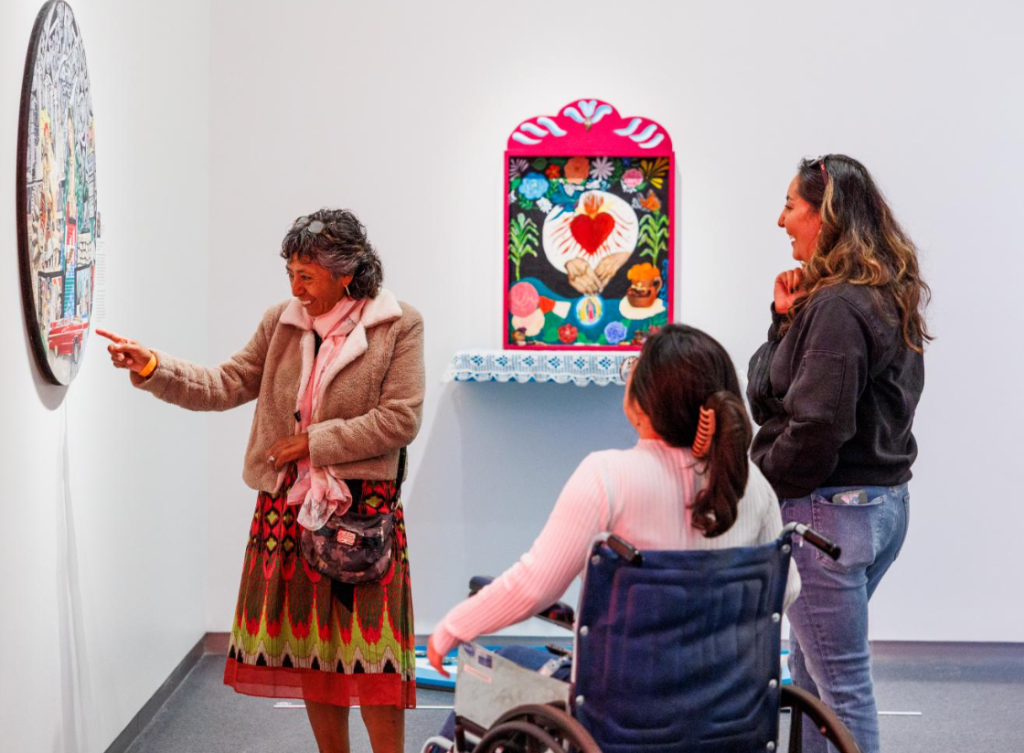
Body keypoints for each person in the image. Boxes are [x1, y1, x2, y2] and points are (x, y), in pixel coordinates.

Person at [98, 208, 425, 753]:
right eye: (291, 273)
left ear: (347, 273)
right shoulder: (282, 321)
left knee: (375, 657)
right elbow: (225, 383)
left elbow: (400, 419)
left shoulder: (398, 324)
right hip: (287, 510)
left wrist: (313, 442)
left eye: (307, 275)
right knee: (314, 652)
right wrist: (154, 366)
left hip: (361, 513)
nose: (296, 287)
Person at [428, 323, 801, 676]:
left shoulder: (607, 477)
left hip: (624, 702)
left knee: (500, 668)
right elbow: (789, 589)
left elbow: (534, 586)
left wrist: (454, 625)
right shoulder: (750, 485)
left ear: (643, 402)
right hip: (724, 701)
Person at [747, 155, 930, 753]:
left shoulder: (838, 308)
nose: (780, 220)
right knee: (814, 676)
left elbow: (817, 425)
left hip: (828, 518)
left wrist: (758, 488)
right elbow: (775, 388)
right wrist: (783, 319)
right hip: (877, 509)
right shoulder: (882, 294)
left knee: (840, 688)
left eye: (791, 207)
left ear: (824, 216)